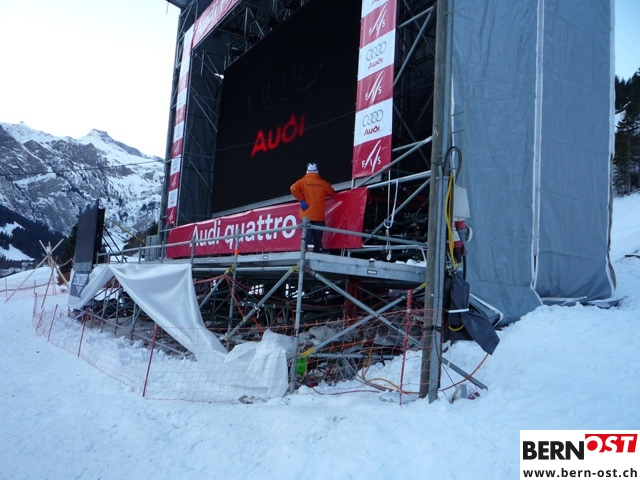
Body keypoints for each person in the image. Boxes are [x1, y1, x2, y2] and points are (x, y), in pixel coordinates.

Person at [290, 162, 336, 253]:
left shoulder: (302, 182)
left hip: (306, 214)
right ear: (317, 171)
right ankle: (317, 251)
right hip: (319, 215)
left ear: (307, 171)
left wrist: (301, 199)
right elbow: (332, 192)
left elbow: (293, 188)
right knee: (317, 237)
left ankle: (306, 253)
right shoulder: (323, 183)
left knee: (306, 236)